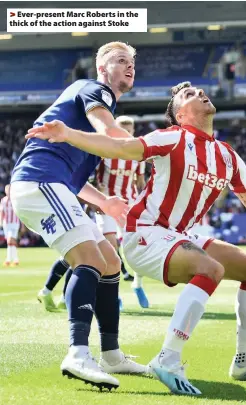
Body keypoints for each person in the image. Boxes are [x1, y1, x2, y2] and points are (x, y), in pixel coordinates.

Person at [26, 81, 246, 396]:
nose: (199, 93)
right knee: (211, 269)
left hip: (179, 235)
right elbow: (120, 148)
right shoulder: (173, 137)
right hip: (145, 234)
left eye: (200, 91)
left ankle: (245, 360)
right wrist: (68, 133)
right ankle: (168, 359)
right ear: (180, 114)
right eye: (188, 95)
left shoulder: (228, 156)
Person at [10, 41, 146, 391]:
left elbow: (75, 178)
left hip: (51, 185)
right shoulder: (96, 91)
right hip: (40, 183)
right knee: (88, 258)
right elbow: (111, 134)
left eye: (131, 61)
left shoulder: (86, 102)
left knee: (110, 262)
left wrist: (105, 201)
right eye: (120, 60)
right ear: (102, 69)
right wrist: (159, 151)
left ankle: (112, 354)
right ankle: (78, 353)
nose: (128, 66)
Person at [96, 115, 149, 308]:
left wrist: (144, 203)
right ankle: (115, 295)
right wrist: (98, 197)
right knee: (110, 251)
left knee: (139, 247)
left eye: (129, 130)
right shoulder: (104, 151)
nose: (125, 133)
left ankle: (137, 284)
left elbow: (140, 182)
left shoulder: (138, 154)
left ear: (133, 131)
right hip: (107, 205)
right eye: (121, 129)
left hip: (129, 204)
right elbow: (95, 178)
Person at [0, 184, 20, 266]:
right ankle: (15, 259)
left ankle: (8, 259)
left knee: (10, 240)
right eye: (7, 190)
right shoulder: (3, 200)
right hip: (6, 223)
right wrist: (1, 222)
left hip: (14, 223)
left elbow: (19, 212)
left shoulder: (15, 199)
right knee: (10, 242)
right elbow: (2, 212)